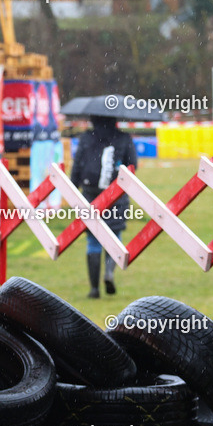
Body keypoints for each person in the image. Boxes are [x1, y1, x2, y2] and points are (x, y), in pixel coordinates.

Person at [71, 115, 137, 299]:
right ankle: (109, 272)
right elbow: (133, 165)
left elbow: (77, 166)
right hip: (116, 193)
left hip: (90, 194)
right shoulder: (124, 138)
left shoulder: (86, 138)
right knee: (114, 236)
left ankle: (94, 289)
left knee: (93, 240)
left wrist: (72, 189)